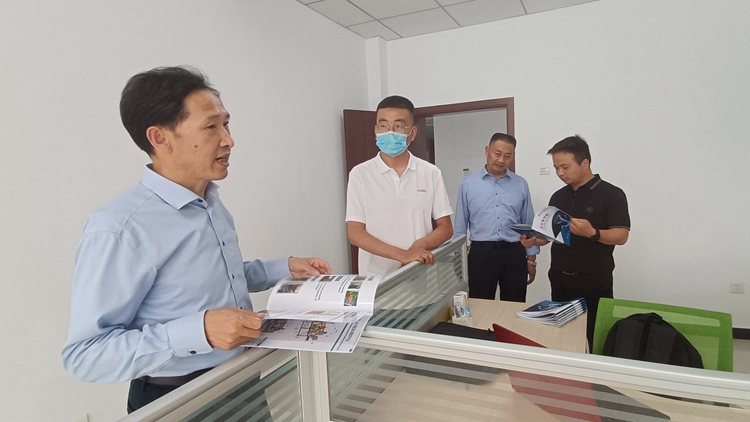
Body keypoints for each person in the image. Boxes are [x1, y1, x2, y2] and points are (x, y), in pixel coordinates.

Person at [61, 66, 331, 414]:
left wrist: (284, 268)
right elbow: (86, 355)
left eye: (226, 124)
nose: (228, 140)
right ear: (160, 138)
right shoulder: (120, 228)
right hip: (178, 397)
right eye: (211, 127)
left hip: (242, 379)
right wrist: (198, 331)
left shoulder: (211, 203)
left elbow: (214, 278)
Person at [534, 135, 630, 348]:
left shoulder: (612, 194)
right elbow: (553, 234)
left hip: (594, 280)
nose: (560, 173)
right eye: (556, 168)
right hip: (559, 277)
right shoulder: (558, 197)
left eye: (565, 167)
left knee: (595, 337)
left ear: (584, 163)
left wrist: (592, 232)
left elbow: (621, 235)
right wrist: (536, 239)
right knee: (562, 337)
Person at [345, 96, 453, 275]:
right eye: (383, 125)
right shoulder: (360, 174)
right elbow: (355, 233)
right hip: (376, 278)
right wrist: (402, 255)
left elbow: (446, 227)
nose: (390, 132)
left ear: (412, 133)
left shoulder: (431, 173)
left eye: (399, 126)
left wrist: (420, 246)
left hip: (419, 273)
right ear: (376, 131)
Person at [453, 133, 540, 302]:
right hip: (481, 254)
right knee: (480, 303)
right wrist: (458, 258)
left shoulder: (521, 184)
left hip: (514, 252)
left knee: (515, 304)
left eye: (507, 156)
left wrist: (531, 259)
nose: (501, 160)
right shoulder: (468, 184)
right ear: (487, 151)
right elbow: (460, 225)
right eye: (497, 154)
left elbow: (528, 223)